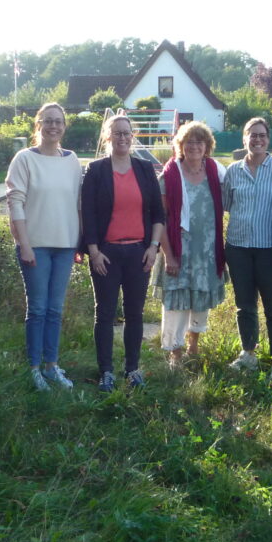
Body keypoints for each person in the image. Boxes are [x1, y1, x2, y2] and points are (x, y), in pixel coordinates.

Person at [81, 112, 165, 392]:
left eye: (126, 132)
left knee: (135, 314)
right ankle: (106, 371)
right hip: (105, 254)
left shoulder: (144, 169)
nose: (122, 137)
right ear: (107, 136)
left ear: (133, 136)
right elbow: (88, 214)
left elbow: (158, 214)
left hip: (138, 254)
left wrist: (153, 248)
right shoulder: (95, 170)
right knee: (104, 314)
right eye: (116, 132)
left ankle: (132, 369)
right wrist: (93, 251)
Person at [6, 102, 81, 391]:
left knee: (55, 309)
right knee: (37, 309)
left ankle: (52, 365)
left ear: (64, 126)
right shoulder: (24, 159)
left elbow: (77, 202)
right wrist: (23, 244)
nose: (53, 126)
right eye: (48, 121)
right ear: (38, 125)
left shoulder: (72, 159)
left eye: (58, 122)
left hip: (64, 246)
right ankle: (34, 368)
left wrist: (79, 242)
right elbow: (15, 204)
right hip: (34, 246)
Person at [154, 121, 226, 367]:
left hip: (206, 251)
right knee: (175, 302)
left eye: (199, 141)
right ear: (180, 146)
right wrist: (169, 256)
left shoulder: (217, 172)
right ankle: (174, 352)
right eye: (189, 142)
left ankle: (193, 345)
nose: (194, 146)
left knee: (200, 299)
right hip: (178, 250)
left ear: (207, 146)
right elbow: (160, 219)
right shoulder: (170, 175)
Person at [222, 118, 272, 374]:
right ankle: (248, 352)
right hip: (238, 247)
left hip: (270, 247)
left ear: (268, 139)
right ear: (244, 138)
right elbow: (228, 205)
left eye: (262, 135)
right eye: (252, 135)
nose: (257, 140)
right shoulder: (233, 171)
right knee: (244, 304)